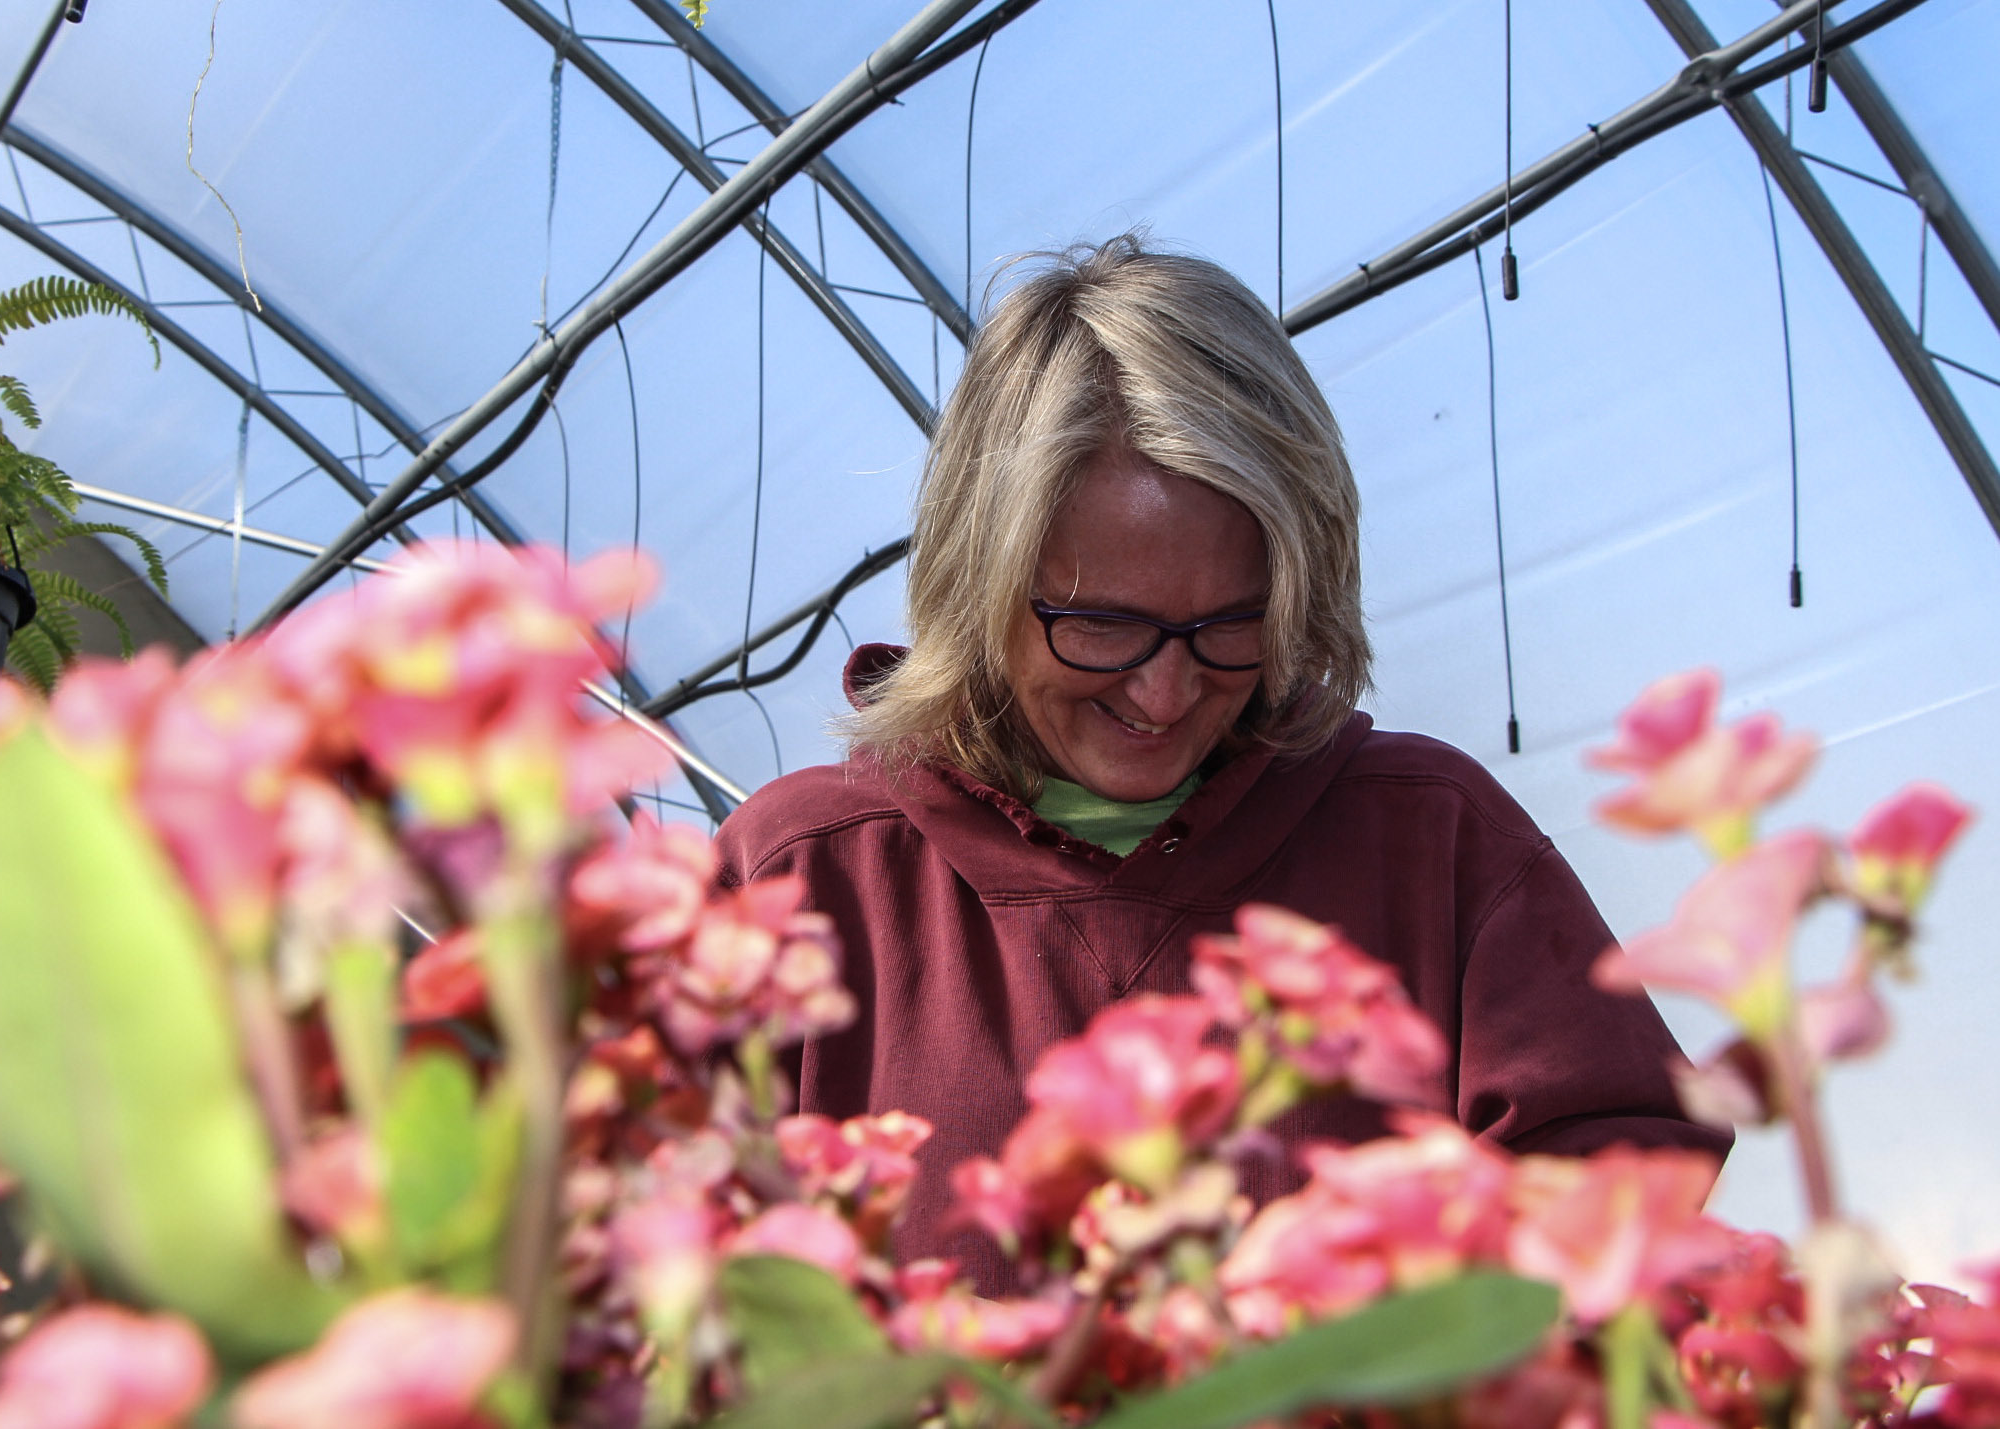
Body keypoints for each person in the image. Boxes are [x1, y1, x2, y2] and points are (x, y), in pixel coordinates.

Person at [713, 234, 1729, 1281]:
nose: (1163, 692)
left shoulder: (1430, 842)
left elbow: (1623, 1209)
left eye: (1231, 625)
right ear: (978, 585)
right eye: (1101, 625)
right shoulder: (803, 880)